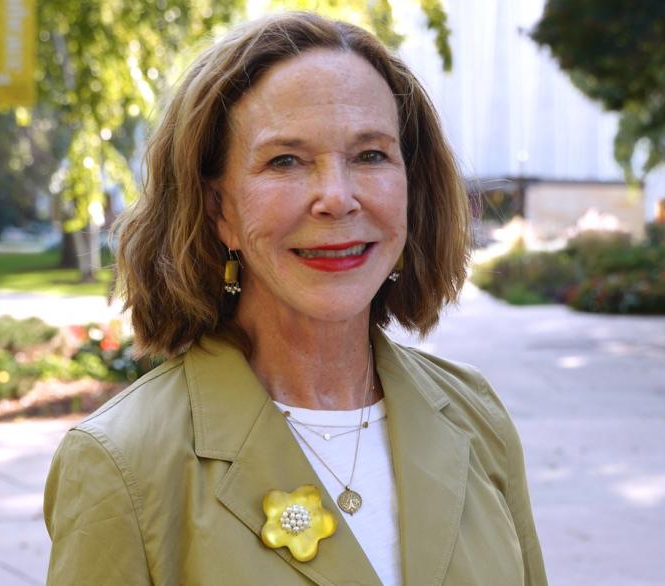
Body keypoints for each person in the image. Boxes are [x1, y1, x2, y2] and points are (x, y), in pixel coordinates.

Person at [43, 12, 547, 585]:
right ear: (219, 210)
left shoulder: (476, 417)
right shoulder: (121, 461)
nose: (337, 198)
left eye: (370, 155)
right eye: (285, 160)